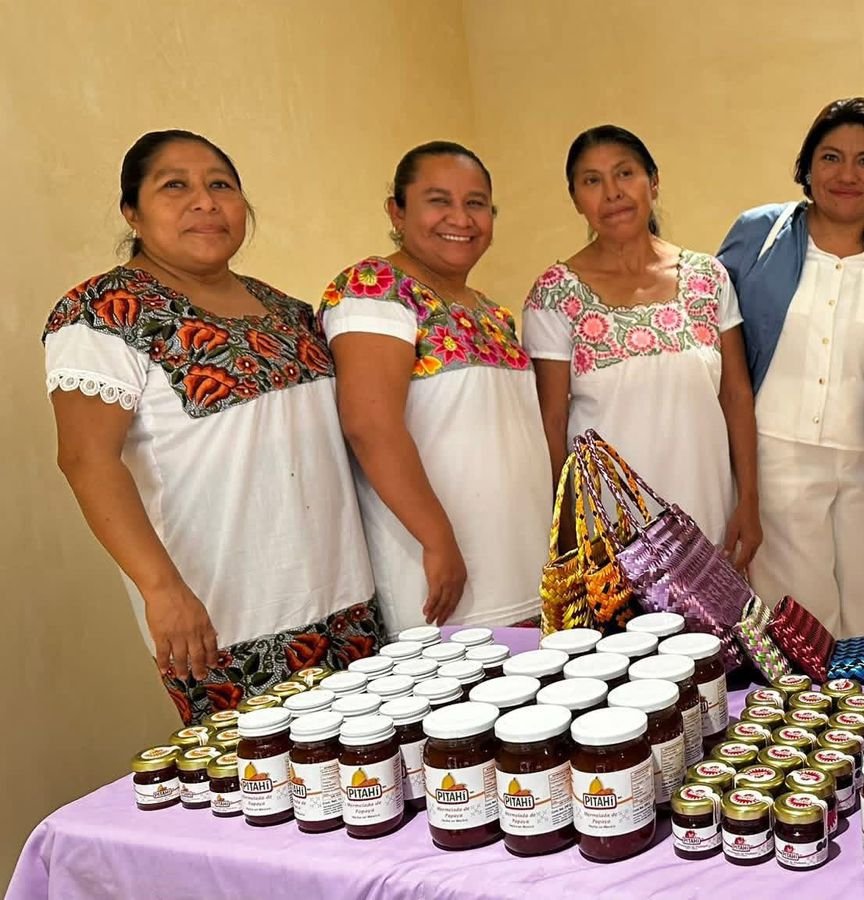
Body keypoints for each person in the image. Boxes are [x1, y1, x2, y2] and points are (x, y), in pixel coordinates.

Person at [44, 130, 379, 724]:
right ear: (133, 212)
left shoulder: (288, 311)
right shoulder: (104, 312)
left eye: (220, 185)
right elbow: (86, 459)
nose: (205, 201)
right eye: (175, 186)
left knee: (368, 785)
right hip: (225, 622)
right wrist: (162, 590)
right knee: (265, 794)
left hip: (346, 601)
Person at [717, 98, 864, 636]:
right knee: (799, 622)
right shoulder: (756, 237)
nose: (847, 174)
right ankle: (802, 722)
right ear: (808, 167)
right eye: (831, 157)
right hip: (779, 456)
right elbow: (715, 337)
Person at [321, 141, 549, 635]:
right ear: (397, 211)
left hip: (521, 566)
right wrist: (438, 539)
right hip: (441, 575)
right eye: (438, 200)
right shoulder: (374, 287)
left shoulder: (492, 312)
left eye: (475, 203)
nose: (460, 218)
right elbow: (369, 425)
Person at [524, 126, 761, 570]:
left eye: (625, 173)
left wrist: (749, 499)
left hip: (707, 505)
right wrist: (567, 526)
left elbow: (736, 395)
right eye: (592, 181)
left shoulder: (708, 278)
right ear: (576, 199)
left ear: (653, 182)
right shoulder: (555, 293)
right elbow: (552, 420)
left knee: (711, 634)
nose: (612, 193)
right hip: (610, 525)